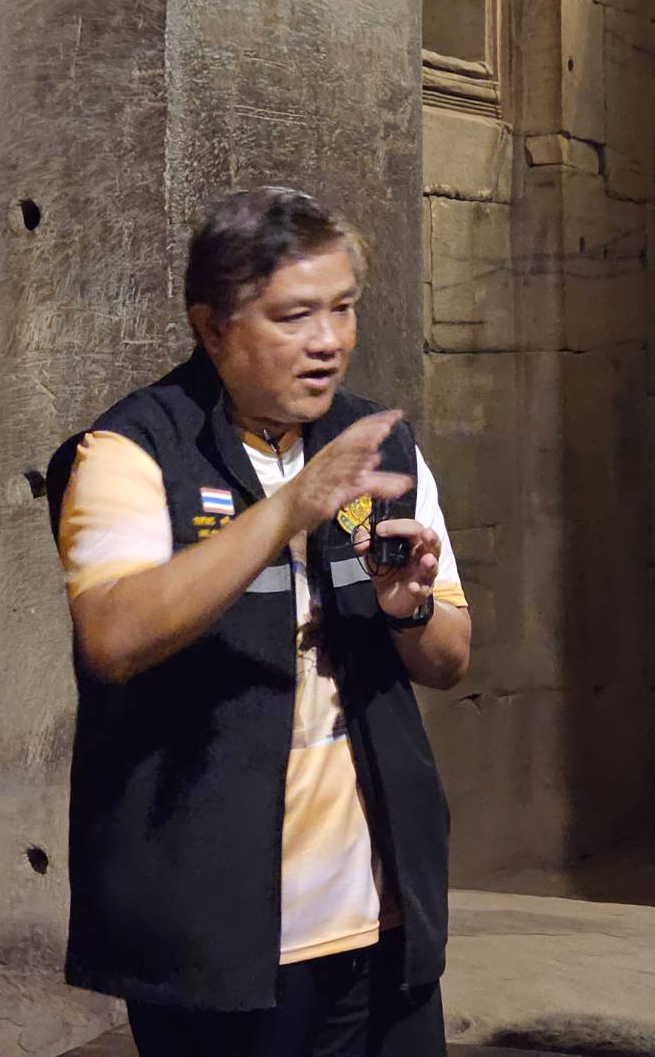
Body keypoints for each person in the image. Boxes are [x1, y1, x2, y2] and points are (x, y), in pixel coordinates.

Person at [47, 186, 471, 1057]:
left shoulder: (375, 444)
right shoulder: (130, 450)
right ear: (211, 328)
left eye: (343, 308)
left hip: (381, 918)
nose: (329, 340)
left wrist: (408, 608)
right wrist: (285, 512)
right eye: (294, 316)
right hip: (214, 930)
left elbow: (450, 657)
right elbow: (112, 636)